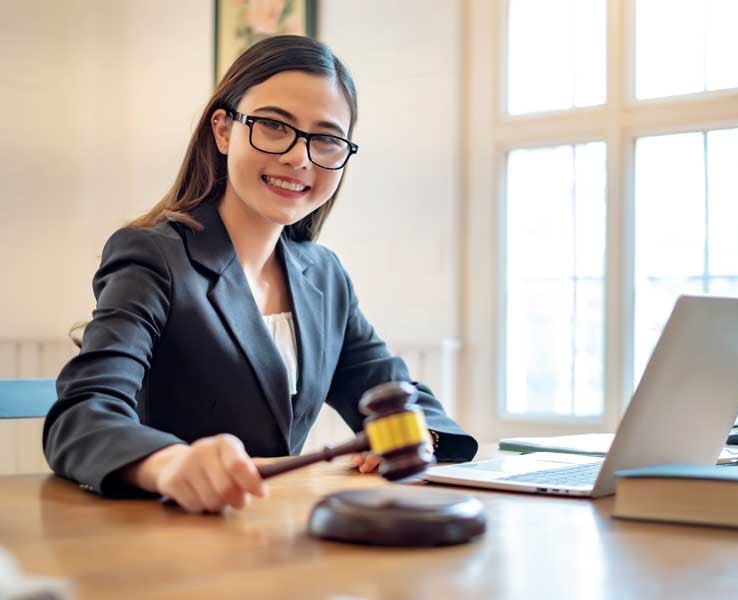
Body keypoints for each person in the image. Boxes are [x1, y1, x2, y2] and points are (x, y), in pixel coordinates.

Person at [42, 35, 478, 514]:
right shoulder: (153, 256)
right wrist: (169, 463)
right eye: (273, 126)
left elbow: (394, 392)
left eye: (327, 139)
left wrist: (413, 436)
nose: (299, 157)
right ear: (224, 131)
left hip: (275, 534)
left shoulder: (324, 274)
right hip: (166, 535)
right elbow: (82, 416)